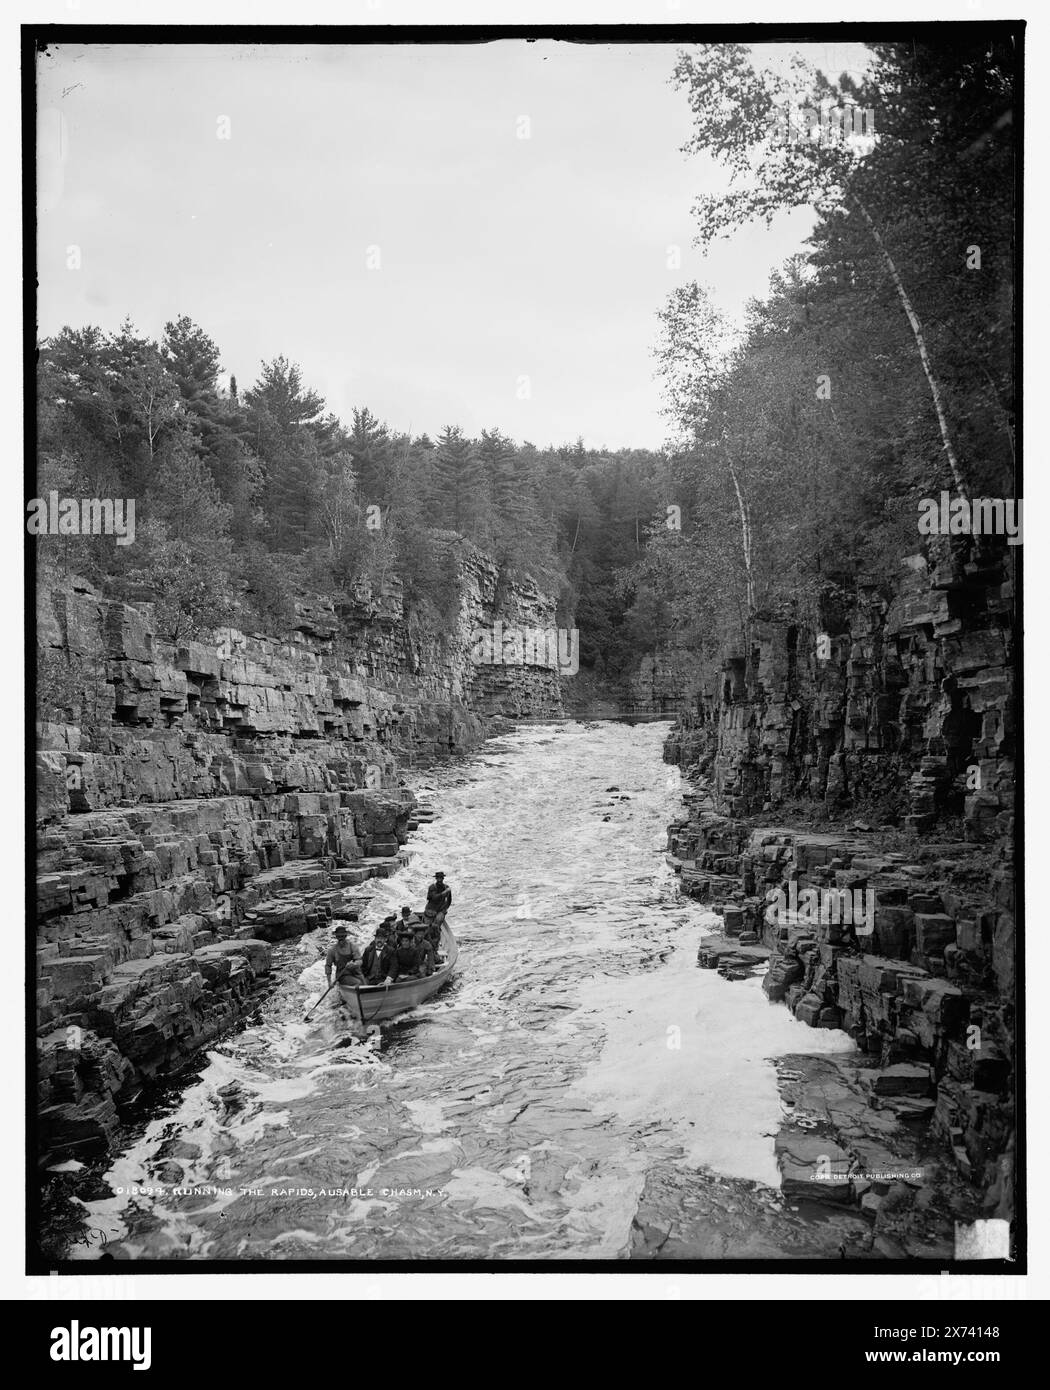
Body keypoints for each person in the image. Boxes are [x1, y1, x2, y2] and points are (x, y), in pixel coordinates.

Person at [361, 918, 397, 983]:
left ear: (385, 939)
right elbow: (363, 966)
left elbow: (393, 967)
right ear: (375, 939)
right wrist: (362, 976)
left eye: (382, 938)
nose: (379, 940)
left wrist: (389, 978)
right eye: (378, 938)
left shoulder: (391, 951)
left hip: (383, 979)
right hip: (369, 978)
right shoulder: (368, 950)